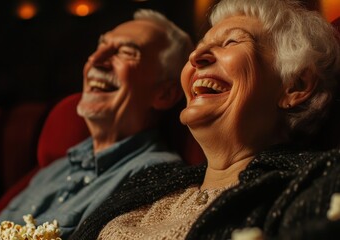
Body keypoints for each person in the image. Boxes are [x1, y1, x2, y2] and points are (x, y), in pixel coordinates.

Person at [70, 0, 340, 239]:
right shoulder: (152, 180)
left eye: (232, 42)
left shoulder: (316, 180)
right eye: (200, 47)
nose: (195, 57)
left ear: (295, 85)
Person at [0, 9, 194, 238]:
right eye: (101, 46)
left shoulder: (152, 176)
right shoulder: (52, 170)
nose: (95, 60)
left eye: (127, 52)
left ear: (165, 94)